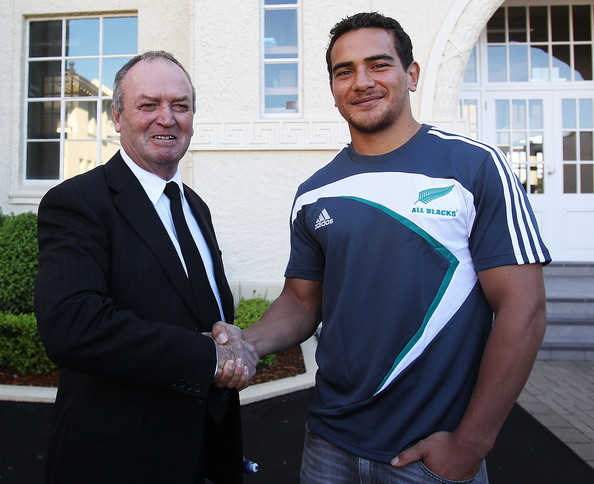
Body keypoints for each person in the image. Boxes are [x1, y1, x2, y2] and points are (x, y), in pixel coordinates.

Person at [214, 12, 551, 483]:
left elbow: (524, 310)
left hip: (431, 453)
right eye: (345, 71)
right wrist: (244, 344)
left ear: (411, 75)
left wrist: (470, 445)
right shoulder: (315, 193)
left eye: (379, 64)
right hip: (328, 444)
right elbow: (301, 302)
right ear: (333, 88)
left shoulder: (474, 167)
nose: (362, 82)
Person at [35, 51, 257, 484]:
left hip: (206, 453)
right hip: (118, 462)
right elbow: (71, 326)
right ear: (117, 117)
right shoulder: (78, 202)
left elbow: (198, 311)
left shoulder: (195, 207)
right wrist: (207, 356)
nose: (166, 118)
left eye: (180, 105)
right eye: (148, 105)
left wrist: (229, 338)